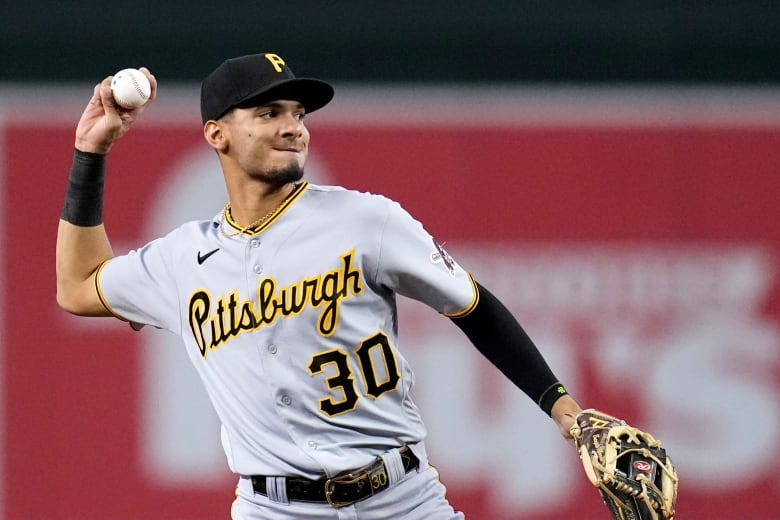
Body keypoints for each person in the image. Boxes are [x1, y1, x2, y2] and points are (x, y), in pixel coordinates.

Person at [56, 52, 583, 519]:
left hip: (401, 499)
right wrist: (90, 152)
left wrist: (565, 410)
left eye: (298, 114)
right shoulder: (181, 260)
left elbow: (473, 308)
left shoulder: (366, 220)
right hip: (271, 508)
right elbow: (77, 286)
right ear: (217, 134)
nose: (293, 127)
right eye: (268, 113)